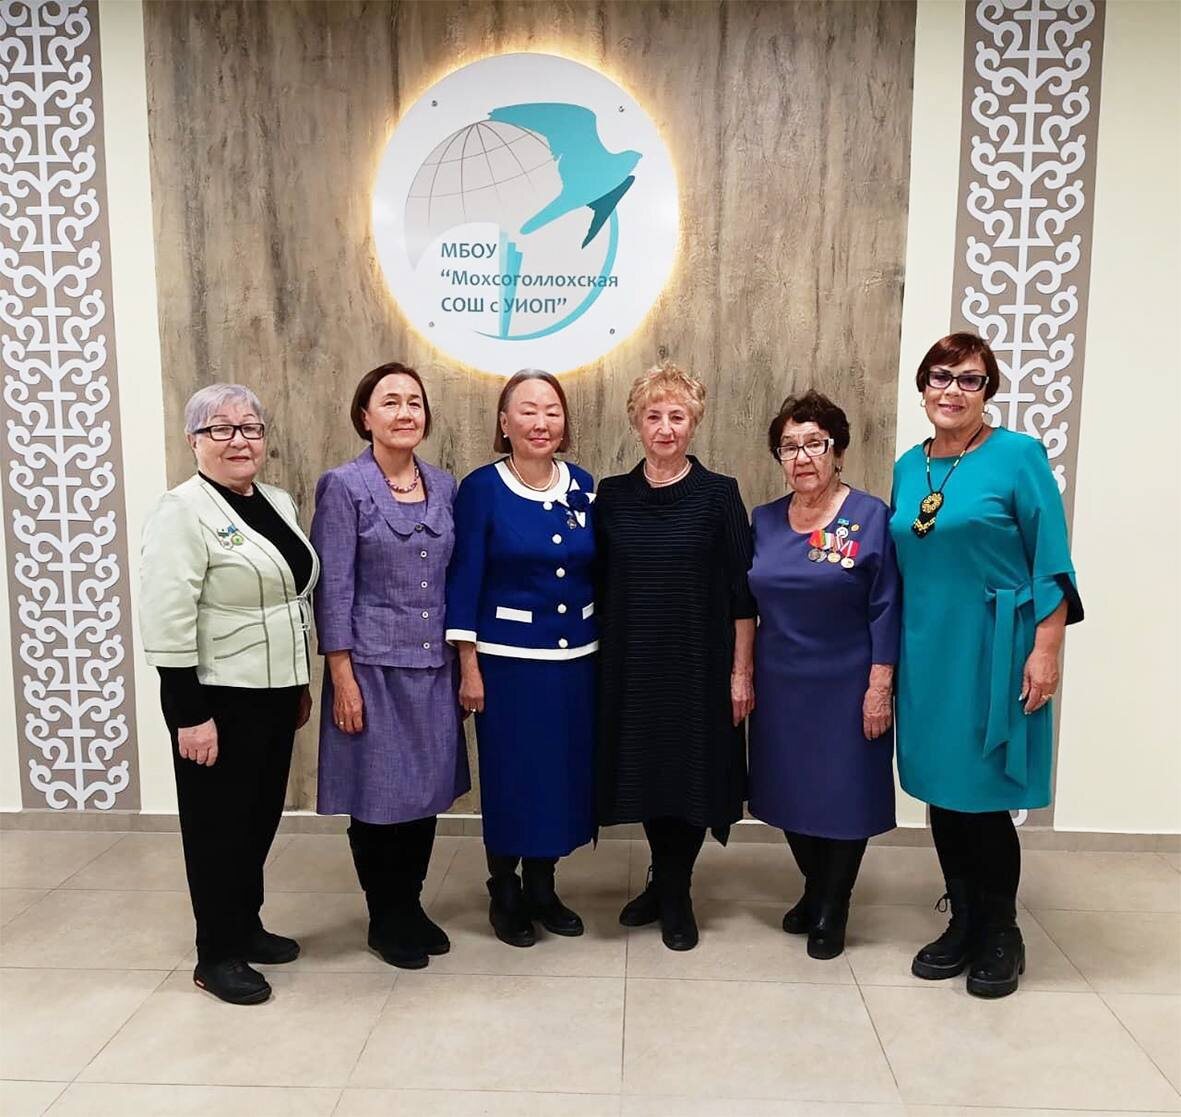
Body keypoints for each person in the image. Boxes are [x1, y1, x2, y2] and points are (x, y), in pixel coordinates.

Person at [890, 332, 1083, 997]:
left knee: (984, 796)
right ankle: (963, 919)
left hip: (995, 650)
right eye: (940, 377)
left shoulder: (1017, 456)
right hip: (927, 649)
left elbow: (1051, 561)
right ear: (922, 386)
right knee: (944, 791)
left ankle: (1002, 931)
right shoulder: (907, 466)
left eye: (969, 379)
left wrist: (1045, 650)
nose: (952, 390)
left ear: (987, 391)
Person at [140, 384, 319, 1005]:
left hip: (274, 694)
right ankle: (215, 955)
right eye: (220, 428)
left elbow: (290, 600)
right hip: (216, 698)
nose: (238, 440)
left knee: (258, 819)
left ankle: (245, 925)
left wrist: (299, 684)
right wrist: (189, 714)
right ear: (194, 441)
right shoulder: (181, 510)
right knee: (216, 829)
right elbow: (167, 619)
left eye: (250, 428)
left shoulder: (277, 500)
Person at [311, 363, 470, 970]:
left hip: (433, 666)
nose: (405, 413)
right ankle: (385, 915)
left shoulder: (445, 485)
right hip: (370, 668)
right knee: (377, 797)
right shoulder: (343, 486)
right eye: (391, 402)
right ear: (365, 416)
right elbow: (334, 589)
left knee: (424, 793)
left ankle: (411, 904)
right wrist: (342, 678)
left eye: (414, 402)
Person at [596, 362, 756, 951]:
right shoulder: (611, 496)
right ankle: (662, 881)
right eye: (654, 416)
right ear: (636, 423)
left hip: (698, 665)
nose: (665, 428)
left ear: (694, 424)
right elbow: (596, 581)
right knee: (646, 773)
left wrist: (741, 673)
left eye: (677, 416)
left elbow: (743, 595)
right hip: (631, 663)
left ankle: (676, 891)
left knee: (691, 776)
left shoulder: (719, 494)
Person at [445, 370, 596, 948]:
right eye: (528, 411)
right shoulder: (483, 488)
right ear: (504, 422)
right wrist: (469, 665)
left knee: (558, 774)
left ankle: (542, 884)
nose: (541, 422)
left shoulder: (582, 484)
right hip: (507, 663)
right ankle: (504, 887)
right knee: (512, 775)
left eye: (552, 411)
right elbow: (466, 578)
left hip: (576, 659)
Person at [747, 390, 901, 960]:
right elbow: (744, 604)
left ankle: (834, 905)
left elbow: (887, 604)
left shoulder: (871, 516)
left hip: (849, 681)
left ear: (838, 451)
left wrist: (879, 686)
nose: (802, 457)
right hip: (780, 683)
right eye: (789, 447)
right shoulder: (763, 520)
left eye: (814, 443)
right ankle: (815, 887)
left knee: (844, 794)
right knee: (788, 789)